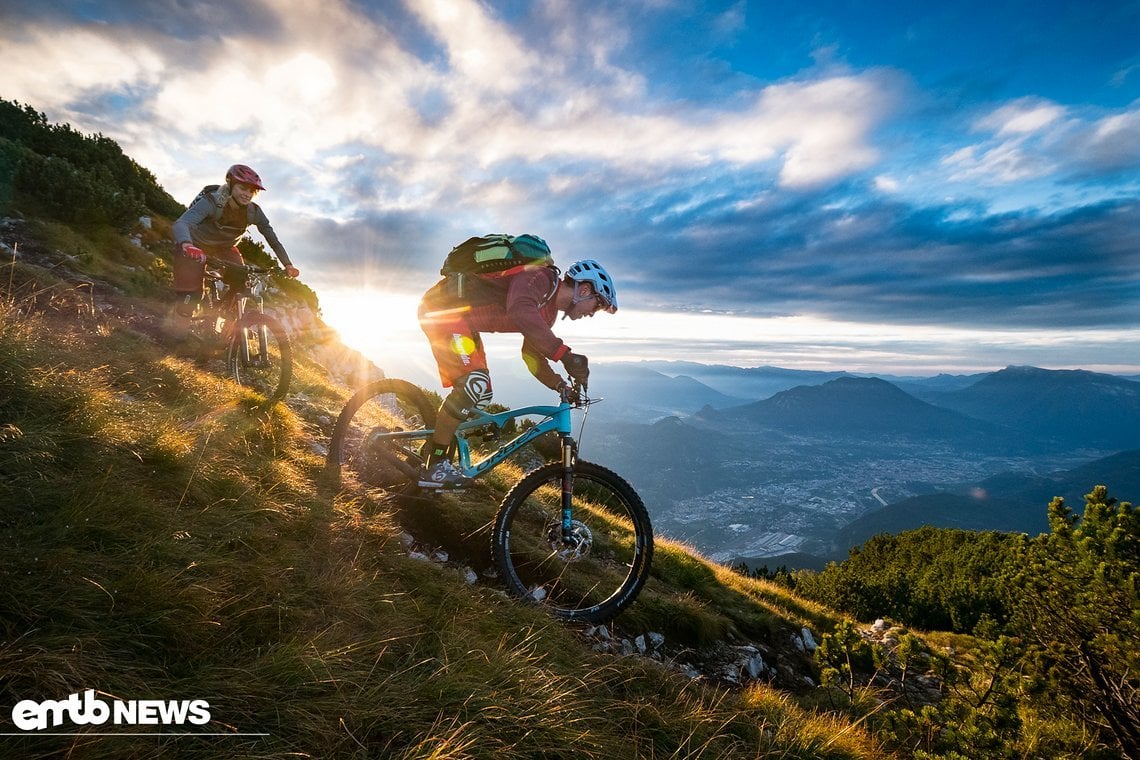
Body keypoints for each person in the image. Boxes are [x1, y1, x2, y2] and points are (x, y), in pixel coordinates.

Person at [417, 255, 618, 488]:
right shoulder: (540, 277)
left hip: (464, 325)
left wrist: (559, 384)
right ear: (584, 290)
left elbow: (531, 355)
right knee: (474, 383)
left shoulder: (548, 312)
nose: (593, 313)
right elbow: (520, 310)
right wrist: (564, 354)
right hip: (442, 312)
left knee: (481, 397)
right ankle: (435, 465)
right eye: (597, 304)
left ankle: (434, 446)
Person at [168, 164, 299, 335]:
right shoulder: (212, 201)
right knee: (191, 295)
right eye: (242, 188)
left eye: (251, 191)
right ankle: (176, 336)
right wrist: (186, 244)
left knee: (242, 282)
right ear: (230, 184)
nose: (247, 194)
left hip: (224, 248)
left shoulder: (254, 212)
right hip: (195, 246)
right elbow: (182, 223)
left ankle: (227, 329)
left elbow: (272, 238)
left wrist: (287, 264)